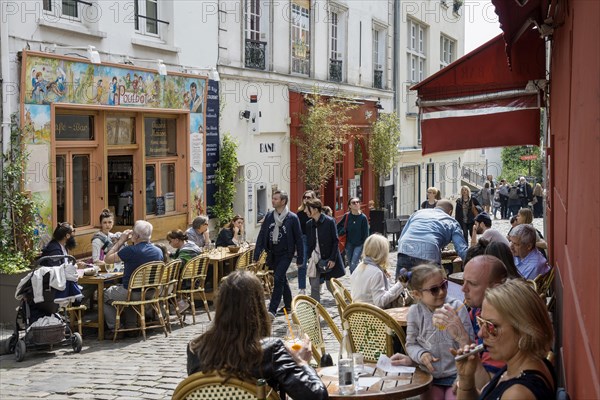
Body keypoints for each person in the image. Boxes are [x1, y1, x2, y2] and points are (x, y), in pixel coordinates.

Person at [186, 271, 328, 399]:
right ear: (258, 307)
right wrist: (301, 362)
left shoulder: (196, 349)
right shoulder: (271, 350)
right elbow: (317, 396)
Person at [454, 279, 555, 399]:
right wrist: (466, 380)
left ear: (524, 330)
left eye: (491, 326)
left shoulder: (517, 394)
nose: (481, 333)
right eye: (480, 322)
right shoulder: (519, 365)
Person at [433, 255, 508, 390]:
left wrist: (462, 337)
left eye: (472, 284)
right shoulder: (477, 311)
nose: (463, 289)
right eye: (464, 281)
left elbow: (486, 386)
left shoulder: (500, 325)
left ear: (496, 287)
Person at [405, 264, 474, 400]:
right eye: (434, 290)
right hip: (429, 376)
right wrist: (421, 354)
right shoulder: (415, 312)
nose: (442, 292)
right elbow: (411, 344)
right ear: (417, 294)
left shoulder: (456, 307)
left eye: (444, 285)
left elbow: (470, 342)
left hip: (456, 373)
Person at [103, 220, 164, 336]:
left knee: (105, 294)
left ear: (136, 236)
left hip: (133, 292)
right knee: (129, 292)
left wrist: (121, 241)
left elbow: (108, 259)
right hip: (151, 291)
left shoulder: (130, 251)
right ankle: (131, 326)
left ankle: (115, 329)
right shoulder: (158, 251)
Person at [253, 190, 304, 319]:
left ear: (283, 201)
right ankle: (288, 305)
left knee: (277, 278)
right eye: (273, 198)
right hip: (272, 253)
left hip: (286, 253)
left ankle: (272, 309)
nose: (273, 201)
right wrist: (257, 254)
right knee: (281, 278)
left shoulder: (292, 218)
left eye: (276, 199)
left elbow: (299, 239)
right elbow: (262, 234)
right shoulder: (270, 215)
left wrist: (300, 258)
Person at [396, 199, 468, 278]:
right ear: (450, 212)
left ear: (435, 207)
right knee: (432, 287)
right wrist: (471, 263)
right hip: (429, 252)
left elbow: (402, 236)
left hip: (405, 249)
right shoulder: (452, 222)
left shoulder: (418, 213)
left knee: (401, 286)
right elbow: (461, 248)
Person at [305, 198, 345, 302]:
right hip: (315, 258)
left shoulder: (330, 221)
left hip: (329, 258)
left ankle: (343, 304)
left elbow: (335, 241)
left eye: (307, 208)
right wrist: (308, 258)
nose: (305, 211)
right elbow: (309, 244)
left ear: (315, 210)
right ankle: (316, 311)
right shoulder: (309, 224)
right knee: (314, 286)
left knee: (330, 285)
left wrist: (332, 259)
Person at [350, 234, 404, 309]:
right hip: (373, 316)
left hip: (357, 314)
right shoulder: (376, 272)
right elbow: (380, 302)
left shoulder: (360, 266)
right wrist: (401, 283)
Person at [337, 197, 369, 273]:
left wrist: (365, 248)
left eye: (358, 202)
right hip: (348, 244)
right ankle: (355, 281)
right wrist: (342, 231)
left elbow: (366, 234)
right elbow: (338, 227)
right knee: (351, 264)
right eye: (354, 203)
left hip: (359, 244)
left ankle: (356, 281)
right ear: (350, 206)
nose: (356, 204)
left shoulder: (363, 218)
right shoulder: (347, 216)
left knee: (353, 264)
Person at [297, 190, 317, 295]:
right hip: (303, 238)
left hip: (314, 238)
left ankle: (318, 284)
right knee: (302, 263)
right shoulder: (300, 213)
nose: (306, 199)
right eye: (304, 197)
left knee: (315, 262)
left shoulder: (316, 212)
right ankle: (302, 288)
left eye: (308, 197)